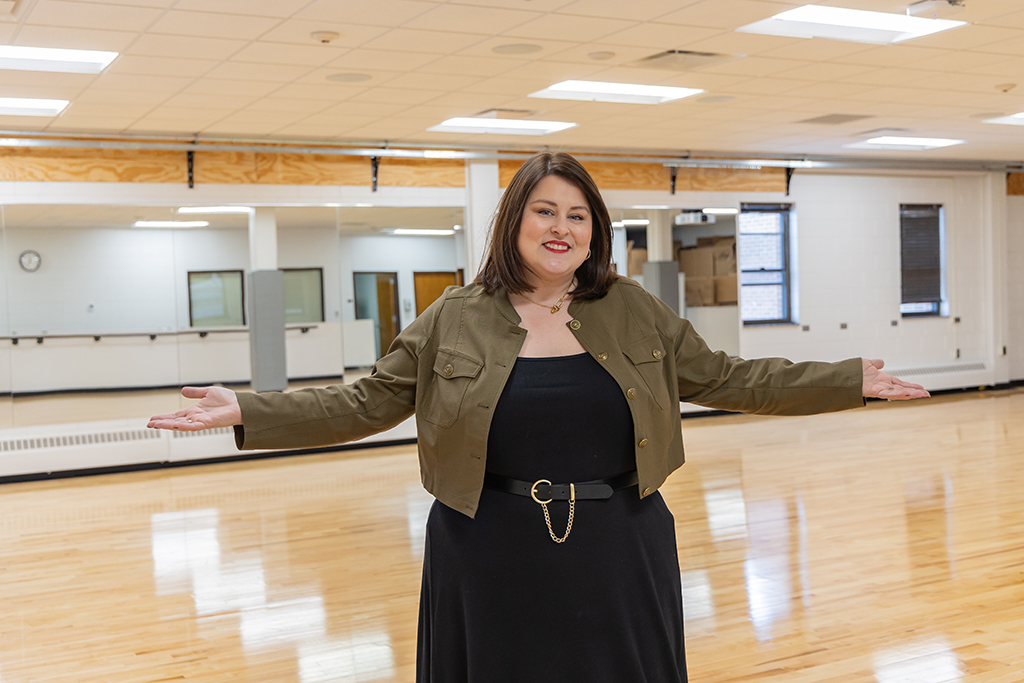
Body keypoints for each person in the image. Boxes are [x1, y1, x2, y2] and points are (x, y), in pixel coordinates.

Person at [148, 152, 929, 683]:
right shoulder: (454, 316)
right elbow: (364, 400)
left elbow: (730, 377)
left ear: (596, 229)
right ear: (514, 221)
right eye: (545, 211)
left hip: (620, 542)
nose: (563, 228)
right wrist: (247, 408)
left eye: (579, 216)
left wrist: (844, 379)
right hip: (487, 548)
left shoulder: (632, 309)